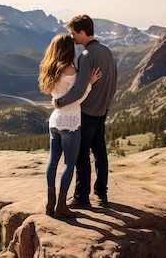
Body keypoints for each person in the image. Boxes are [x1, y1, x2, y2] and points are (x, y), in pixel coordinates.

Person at [53, 14, 117, 208]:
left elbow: (79, 90)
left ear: (82, 32)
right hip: (102, 110)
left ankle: (82, 197)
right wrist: (105, 105)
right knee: (100, 152)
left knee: (81, 155)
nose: (72, 38)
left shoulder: (87, 55)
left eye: (73, 34)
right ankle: (101, 194)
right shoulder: (107, 51)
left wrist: (60, 102)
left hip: (88, 112)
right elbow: (113, 81)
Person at [39, 33, 101, 218]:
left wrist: (57, 102)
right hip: (70, 122)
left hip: (55, 120)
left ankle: (50, 201)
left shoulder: (50, 69)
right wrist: (89, 83)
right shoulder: (72, 72)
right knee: (69, 163)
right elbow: (78, 97)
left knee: (52, 161)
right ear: (69, 49)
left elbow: (56, 97)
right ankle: (61, 205)